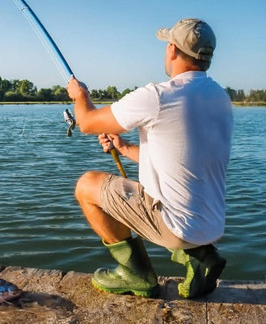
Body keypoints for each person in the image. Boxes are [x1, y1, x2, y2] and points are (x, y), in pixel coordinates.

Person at [66, 18, 233, 299]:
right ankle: (200, 255)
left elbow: (86, 122)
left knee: (87, 185)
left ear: (172, 50)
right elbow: (177, 159)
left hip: (178, 227)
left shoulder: (158, 96)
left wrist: (80, 95)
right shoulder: (220, 98)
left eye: (168, 44)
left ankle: (136, 274)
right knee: (156, 192)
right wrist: (123, 146)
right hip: (212, 224)